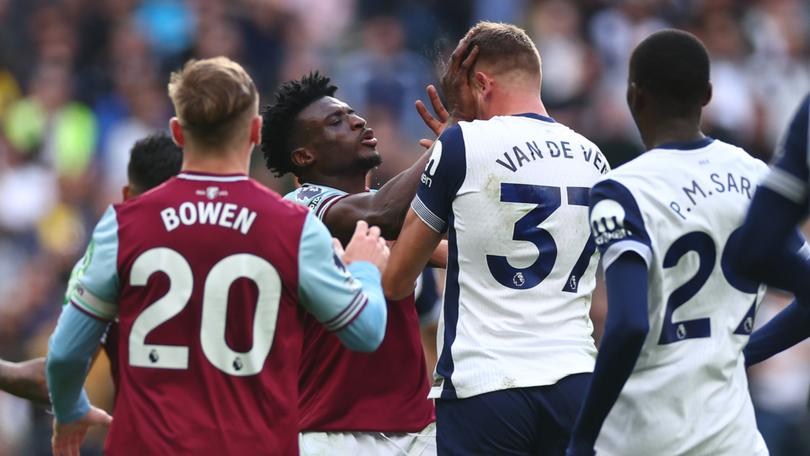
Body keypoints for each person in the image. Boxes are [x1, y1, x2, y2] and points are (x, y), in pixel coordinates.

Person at [46, 57, 390, 456]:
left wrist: (70, 410)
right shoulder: (293, 226)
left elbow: (66, 353)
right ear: (255, 132)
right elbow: (365, 332)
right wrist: (364, 268)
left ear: (177, 132)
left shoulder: (122, 225)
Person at [383, 22, 609, 455]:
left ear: (481, 84)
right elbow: (517, 253)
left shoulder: (463, 143)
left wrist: (449, 142)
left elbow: (396, 280)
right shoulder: (594, 157)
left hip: (487, 385)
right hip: (577, 379)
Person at [566, 30, 769, 456]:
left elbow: (628, 323)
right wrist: (744, 349)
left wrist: (583, 434)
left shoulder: (622, 190)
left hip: (644, 438)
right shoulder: (755, 177)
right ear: (708, 95)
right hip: (737, 439)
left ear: (634, 96)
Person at [262, 72, 443, 455]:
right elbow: (384, 215)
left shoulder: (381, 207)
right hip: (332, 432)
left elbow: (454, 250)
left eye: (352, 113)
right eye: (335, 122)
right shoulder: (301, 208)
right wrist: (450, 141)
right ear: (304, 156)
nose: (358, 121)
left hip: (415, 430)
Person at [0, 133, 183, 407]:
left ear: (127, 196)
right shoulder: (243, 239)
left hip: (148, 434)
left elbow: (57, 374)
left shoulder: (117, 250)